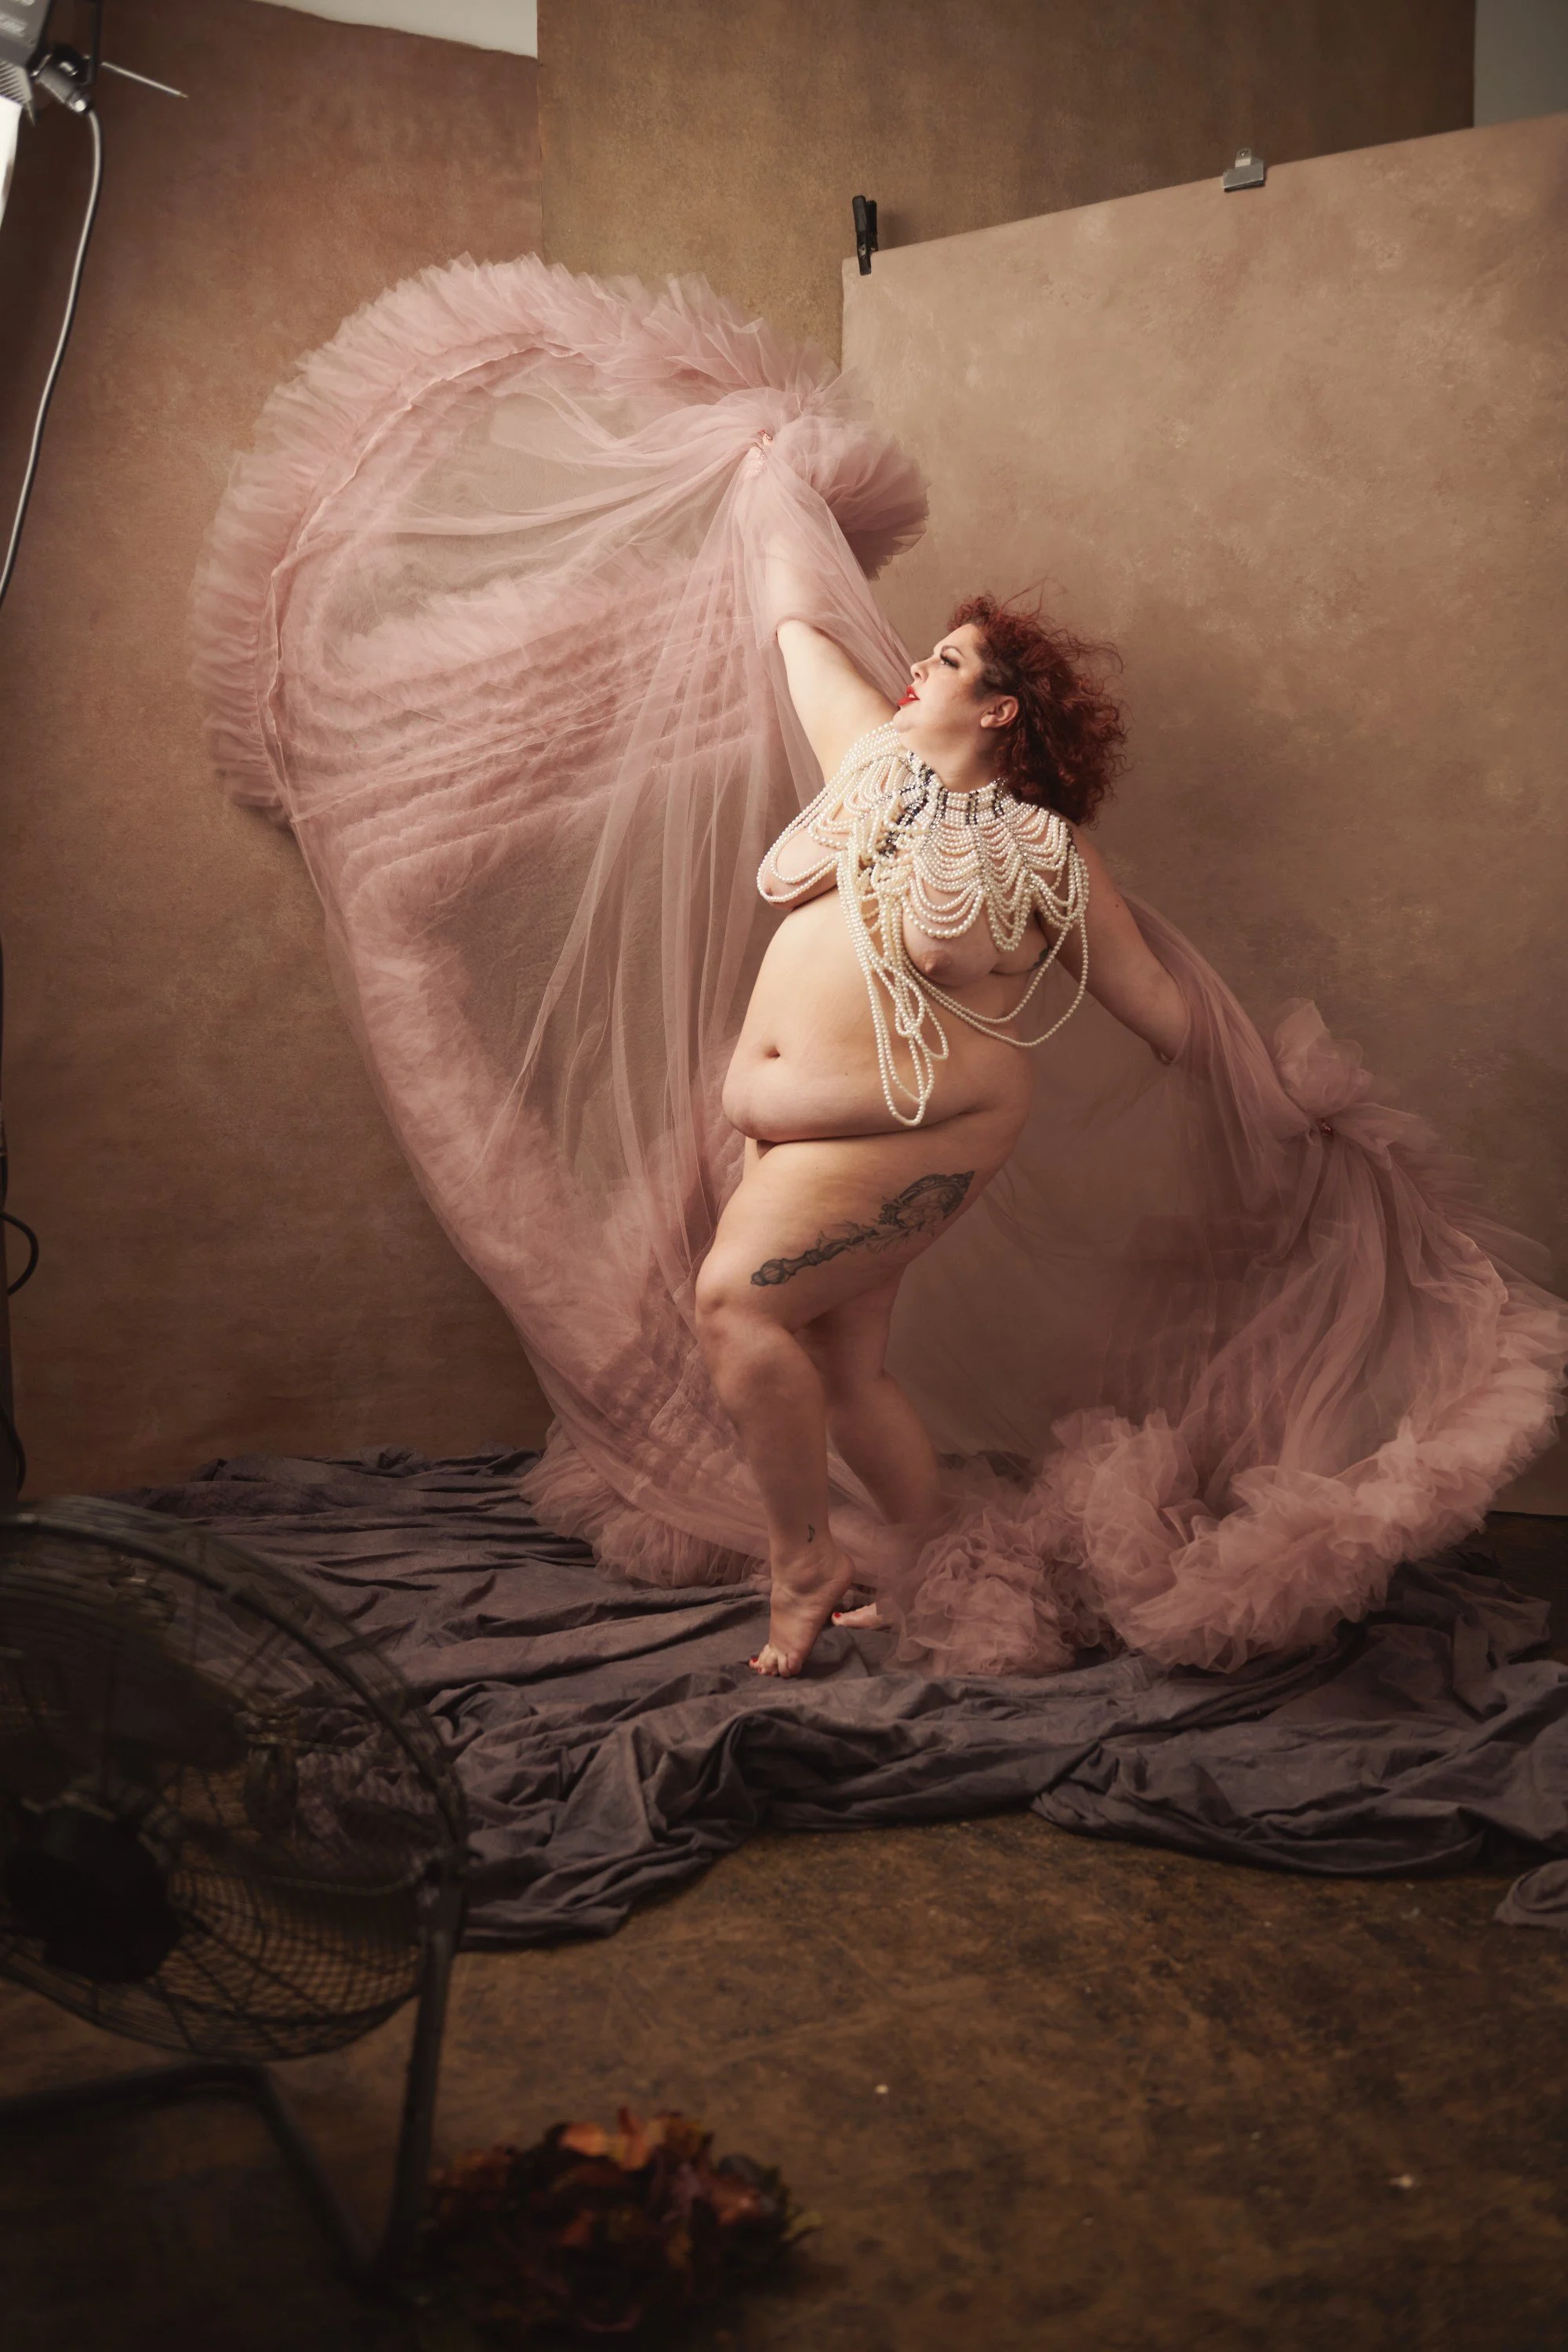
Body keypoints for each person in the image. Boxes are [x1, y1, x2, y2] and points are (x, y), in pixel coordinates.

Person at [697, 568, 1192, 1675]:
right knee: (844, 1367)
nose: (914, 668)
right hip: (791, 1123)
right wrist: (764, 470)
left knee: (736, 1305)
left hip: (919, 1127)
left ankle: (805, 1563)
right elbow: (794, 630)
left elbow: (1148, 994)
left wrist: (1278, 1095)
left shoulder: (1038, 851)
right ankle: (940, 1568)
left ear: (999, 708)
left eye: (947, 659)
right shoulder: (871, 762)